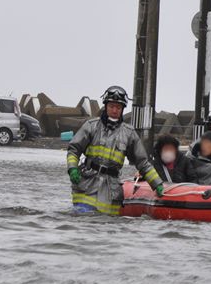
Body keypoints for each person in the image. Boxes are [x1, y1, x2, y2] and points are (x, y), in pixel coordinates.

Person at [66, 86, 164, 214]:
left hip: (111, 190)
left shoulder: (129, 133)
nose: (114, 110)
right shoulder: (91, 126)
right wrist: (72, 168)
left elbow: (142, 162)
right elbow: (74, 149)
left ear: (122, 109)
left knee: (109, 227)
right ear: (106, 106)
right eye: (111, 106)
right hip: (87, 185)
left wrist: (157, 183)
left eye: (118, 107)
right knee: (84, 218)